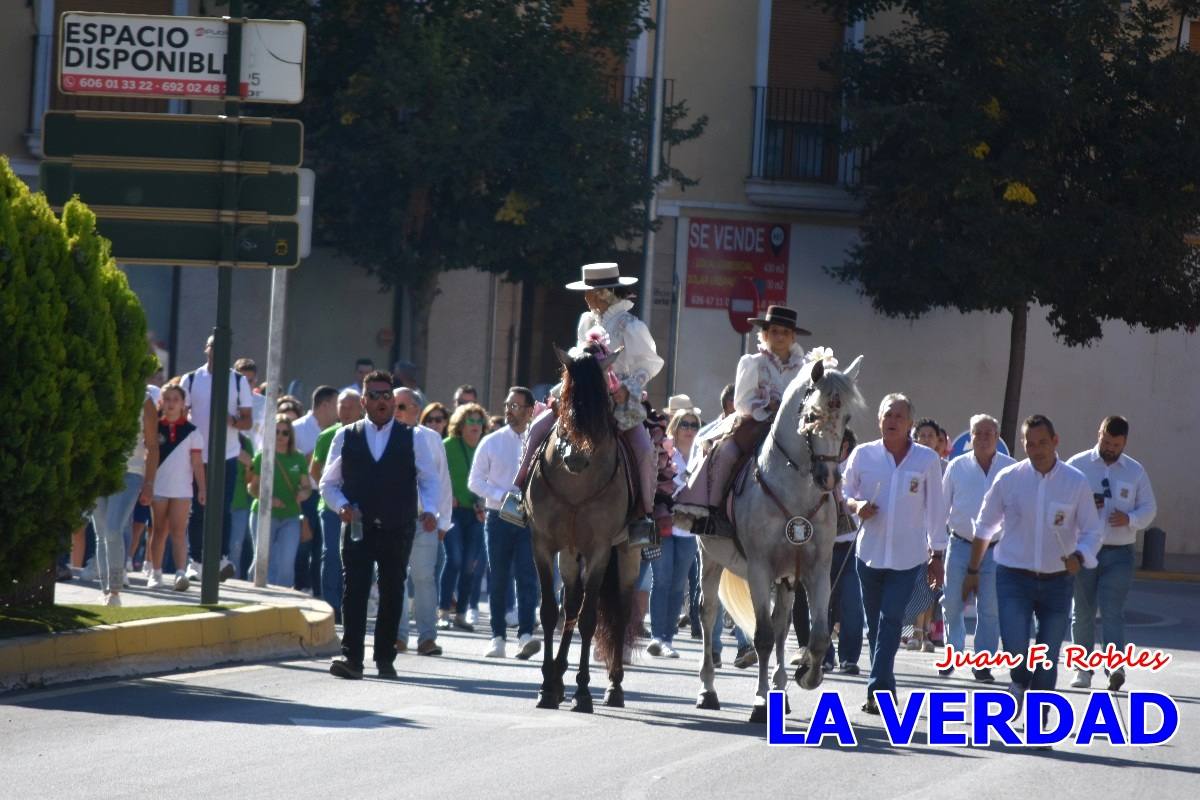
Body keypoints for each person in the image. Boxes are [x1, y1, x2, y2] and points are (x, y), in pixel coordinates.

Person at [503, 263, 664, 546]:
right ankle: (518, 492)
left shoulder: (632, 325)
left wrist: (628, 388)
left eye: (589, 292)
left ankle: (643, 516)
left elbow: (649, 363)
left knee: (643, 448)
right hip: (580, 398)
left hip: (618, 401)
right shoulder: (586, 321)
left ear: (603, 293)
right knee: (539, 427)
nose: (586, 298)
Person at [964, 415, 1103, 707]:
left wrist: (1080, 555)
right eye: (1030, 443)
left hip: (1057, 582)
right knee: (1016, 646)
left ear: (1055, 441)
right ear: (1023, 445)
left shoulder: (1075, 482)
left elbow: (1092, 530)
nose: (1037, 449)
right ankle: (1018, 677)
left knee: (1048, 656)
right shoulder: (1009, 479)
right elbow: (984, 527)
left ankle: (1040, 722)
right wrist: (972, 569)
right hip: (1014, 577)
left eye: (1043, 442)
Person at [321, 371, 442, 679]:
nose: (382, 401)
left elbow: (429, 480)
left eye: (387, 395)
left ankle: (385, 659)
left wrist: (429, 511)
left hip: (398, 525)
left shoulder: (412, 437)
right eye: (374, 395)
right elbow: (328, 484)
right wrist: (342, 506)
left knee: (392, 591)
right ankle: (352, 658)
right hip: (358, 526)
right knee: (355, 591)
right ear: (363, 401)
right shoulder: (346, 436)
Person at [843, 393, 947, 714]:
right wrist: (857, 506)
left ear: (910, 425)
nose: (892, 421)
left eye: (899, 416)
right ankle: (885, 683)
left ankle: (877, 692)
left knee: (890, 620)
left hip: (908, 556)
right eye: (888, 415)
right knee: (875, 626)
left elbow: (935, 510)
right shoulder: (863, 455)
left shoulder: (926, 460)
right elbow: (843, 492)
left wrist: (937, 554)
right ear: (879, 420)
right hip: (869, 555)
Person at [673, 305, 812, 536]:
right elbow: (742, 402)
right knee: (725, 453)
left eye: (785, 332)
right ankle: (714, 514)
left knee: (823, 456)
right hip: (755, 424)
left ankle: (836, 514)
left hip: (794, 429)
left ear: (793, 336)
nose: (779, 336)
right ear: (765, 334)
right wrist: (768, 404)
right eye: (775, 331)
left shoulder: (805, 369)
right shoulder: (752, 362)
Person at [1065, 415, 1156, 691]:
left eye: (1115, 444)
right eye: (1106, 441)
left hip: (1119, 553)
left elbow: (1149, 509)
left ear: (1124, 442)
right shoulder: (1077, 466)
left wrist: (1129, 519)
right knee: (1082, 611)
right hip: (1084, 550)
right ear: (1099, 433)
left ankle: (1115, 666)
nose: (1109, 447)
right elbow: (1059, 503)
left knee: (1113, 611)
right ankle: (1082, 669)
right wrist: (1082, 506)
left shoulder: (1135, 471)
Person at [939, 414, 1014, 681]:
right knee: (952, 604)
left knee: (990, 608)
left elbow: (1017, 511)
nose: (982, 438)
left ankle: (983, 662)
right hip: (960, 545)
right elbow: (941, 509)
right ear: (970, 437)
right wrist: (935, 548)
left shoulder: (1010, 468)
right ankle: (954, 652)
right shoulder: (956, 467)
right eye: (977, 433)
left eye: (988, 433)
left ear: (997, 437)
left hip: (996, 550)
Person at [468, 386, 541, 659]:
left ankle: (525, 635)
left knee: (526, 577)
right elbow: (475, 482)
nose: (510, 410)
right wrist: (503, 496)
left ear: (530, 410)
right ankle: (497, 636)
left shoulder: (538, 441)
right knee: (498, 577)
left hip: (528, 518)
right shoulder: (492, 441)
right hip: (498, 517)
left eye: (516, 406)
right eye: (508, 405)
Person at [792, 428, 864, 674]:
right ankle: (824, 655)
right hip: (820, 547)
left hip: (850, 545)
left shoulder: (856, 465)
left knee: (852, 603)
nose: (836, 447)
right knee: (821, 605)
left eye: (841, 443)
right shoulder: (813, 471)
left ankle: (850, 657)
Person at [182, 336, 253, 582]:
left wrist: (231, 420)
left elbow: (248, 420)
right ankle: (196, 561)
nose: (216, 351)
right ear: (206, 348)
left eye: (221, 347)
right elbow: (182, 415)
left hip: (227, 454)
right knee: (197, 509)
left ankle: (221, 558)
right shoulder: (191, 379)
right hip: (197, 455)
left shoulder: (238, 381)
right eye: (213, 346)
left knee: (222, 508)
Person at [393, 387, 454, 656]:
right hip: (392, 520)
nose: (394, 411)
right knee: (394, 578)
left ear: (416, 409)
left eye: (401, 406)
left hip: (424, 521)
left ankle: (427, 638)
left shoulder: (431, 439)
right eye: (392, 405)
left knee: (424, 579)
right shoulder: (381, 437)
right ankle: (397, 636)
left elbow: (442, 481)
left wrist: (443, 523)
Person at [91, 385, 158, 605]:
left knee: (112, 529)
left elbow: (153, 446)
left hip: (131, 472)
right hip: (98, 470)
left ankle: (115, 590)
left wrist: (149, 483)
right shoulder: (99, 391)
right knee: (101, 532)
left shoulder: (145, 400)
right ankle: (105, 590)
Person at [647, 403, 704, 658]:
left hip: (690, 528)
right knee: (662, 580)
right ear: (675, 427)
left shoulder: (703, 454)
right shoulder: (664, 450)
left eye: (694, 425)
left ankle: (668, 637)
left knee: (678, 585)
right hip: (663, 523)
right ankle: (657, 637)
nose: (690, 430)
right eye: (685, 424)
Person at [310, 389, 364, 621]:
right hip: (331, 507)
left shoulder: (367, 435)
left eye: (350, 406)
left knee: (357, 556)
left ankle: (350, 603)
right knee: (331, 553)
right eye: (342, 405)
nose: (345, 410)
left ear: (360, 408)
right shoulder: (327, 435)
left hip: (360, 507)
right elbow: (315, 470)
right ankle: (331, 606)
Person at [148, 384, 207, 591]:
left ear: (183, 404)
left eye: (176, 399)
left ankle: (180, 573)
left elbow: (197, 463)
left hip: (182, 490)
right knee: (158, 531)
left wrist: (202, 489)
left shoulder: (192, 432)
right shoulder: (154, 427)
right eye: (168, 399)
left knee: (179, 532)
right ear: (161, 402)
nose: (172, 403)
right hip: (158, 488)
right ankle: (156, 573)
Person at [247, 415, 312, 587]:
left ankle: (284, 600)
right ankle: (252, 595)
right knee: (262, 559)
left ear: (290, 436)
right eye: (276, 432)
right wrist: (268, 499)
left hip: (290, 515)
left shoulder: (298, 458)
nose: (280, 436)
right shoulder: (262, 456)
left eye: (285, 433)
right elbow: (252, 487)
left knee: (286, 563)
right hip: (263, 514)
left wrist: (304, 494)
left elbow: (306, 486)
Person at [439, 402, 488, 632]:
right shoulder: (447, 446)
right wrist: (446, 497)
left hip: (477, 514)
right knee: (455, 559)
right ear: (461, 424)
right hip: (452, 512)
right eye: (471, 420)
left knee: (470, 565)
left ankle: (461, 614)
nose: (476, 425)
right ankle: (443, 612)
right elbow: (435, 476)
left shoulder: (485, 447)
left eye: (479, 421)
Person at [903, 418, 946, 652]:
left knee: (932, 588)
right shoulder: (909, 464)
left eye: (932, 435)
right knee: (914, 586)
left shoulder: (946, 467)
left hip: (938, 535)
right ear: (915, 437)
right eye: (923, 435)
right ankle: (913, 634)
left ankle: (926, 634)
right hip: (913, 534)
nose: (927, 439)